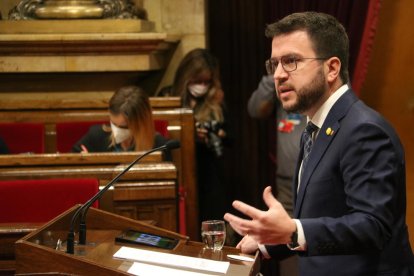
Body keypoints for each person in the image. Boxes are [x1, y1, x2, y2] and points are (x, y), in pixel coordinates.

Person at [224, 11, 414, 275]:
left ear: (332, 68)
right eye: (274, 64)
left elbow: (373, 226)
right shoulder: (315, 126)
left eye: (291, 61)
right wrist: (269, 242)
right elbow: (322, 219)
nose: (278, 74)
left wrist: (292, 230)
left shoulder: (364, 130)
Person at [161, 48, 232, 224]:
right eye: (197, 80)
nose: (202, 86)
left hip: (208, 175)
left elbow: (230, 138)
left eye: (206, 81)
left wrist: (217, 134)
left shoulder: (215, 100)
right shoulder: (167, 95)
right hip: (177, 171)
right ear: (186, 76)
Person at [248, 75, 305, 276]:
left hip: (318, 182)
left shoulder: (316, 86)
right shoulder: (284, 89)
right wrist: (272, 78)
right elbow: (255, 109)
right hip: (287, 186)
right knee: (286, 249)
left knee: (312, 239)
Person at [72, 85, 171, 160]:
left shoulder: (159, 146)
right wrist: (83, 161)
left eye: (123, 127)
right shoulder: (96, 136)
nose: (116, 131)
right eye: (113, 124)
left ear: (141, 123)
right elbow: (72, 160)